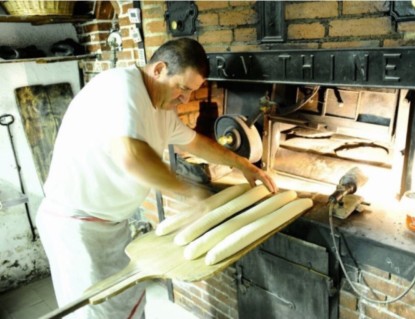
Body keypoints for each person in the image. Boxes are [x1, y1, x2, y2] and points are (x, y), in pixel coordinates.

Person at [36, 38, 277, 319]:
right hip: (76, 227)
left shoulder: (162, 107)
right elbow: (131, 155)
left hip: (111, 224)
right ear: (159, 69)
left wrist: (244, 165)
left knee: (126, 304)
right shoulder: (121, 88)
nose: (185, 99)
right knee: (95, 313)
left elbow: (195, 142)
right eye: (183, 88)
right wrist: (187, 192)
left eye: (192, 92)